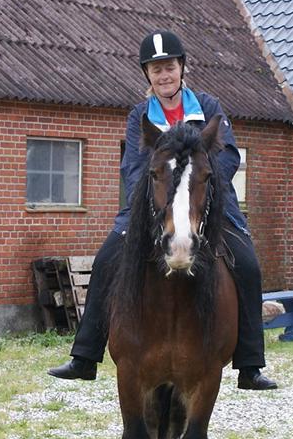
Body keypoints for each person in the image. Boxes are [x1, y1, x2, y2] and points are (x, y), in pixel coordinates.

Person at [47, 30, 278, 391]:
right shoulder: (140, 115)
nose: (164, 75)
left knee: (247, 265)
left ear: (182, 68)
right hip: (152, 206)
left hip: (209, 203)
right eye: (156, 70)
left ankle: (249, 364)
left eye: (169, 67)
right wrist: (163, 196)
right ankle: (85, 355)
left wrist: (197, 183)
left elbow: (229, 155)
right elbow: (134, 167)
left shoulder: (209, 107)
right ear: (147, 75)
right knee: (107, 259)